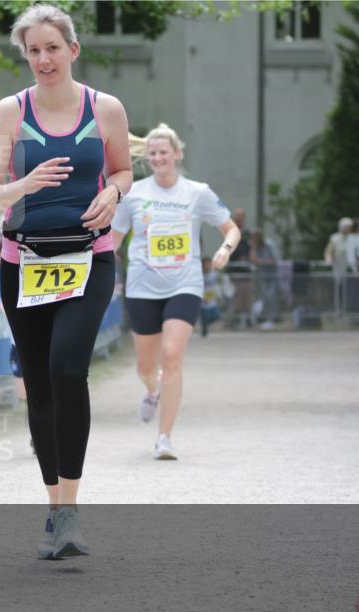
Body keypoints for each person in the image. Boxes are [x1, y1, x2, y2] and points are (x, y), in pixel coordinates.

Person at [0, 4, 132, 560]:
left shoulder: (105, 108)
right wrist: (25, 184)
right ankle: (55, 507)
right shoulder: (10, 112)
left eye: (52, 48)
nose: (43, 59)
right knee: (39, 387)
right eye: (33, 51)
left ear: (73, 50)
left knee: (68, 369)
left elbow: (123, 169)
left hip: (90, 259)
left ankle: (70, 510)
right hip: (24, 265)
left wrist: (113, 192)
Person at [111, 123, 240, 460]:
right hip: (142, 286)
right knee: (145, 367)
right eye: (152, 153)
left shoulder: (197, 193)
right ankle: (152, 390)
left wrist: (225, 249)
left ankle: (164, 438)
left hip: (184, 284)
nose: (157, 158)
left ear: (177, 154)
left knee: (171, 356)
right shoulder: (133, 194)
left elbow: (231, 229)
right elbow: (113, 241)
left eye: (163, 152)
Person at [325, 217, 355, 317]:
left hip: (350, 268)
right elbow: (329, 251)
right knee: (338, 289)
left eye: (350, 227)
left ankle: (350, 309)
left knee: (351, 289)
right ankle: (338, 309)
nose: (348, 229)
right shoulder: (335, 238)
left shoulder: (352, 238)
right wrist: (329, 260)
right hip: (339, 268)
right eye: (347, 227)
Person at [249, 231, 279, 329]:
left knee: (270, 297)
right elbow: (253, 260)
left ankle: (272, 319)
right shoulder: (256, 248)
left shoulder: (269, 245)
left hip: (272, 276)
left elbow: (275, 260)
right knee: (265, 298)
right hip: (262, 277)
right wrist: (253, 247)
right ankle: (267, 319)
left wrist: (261, 262)